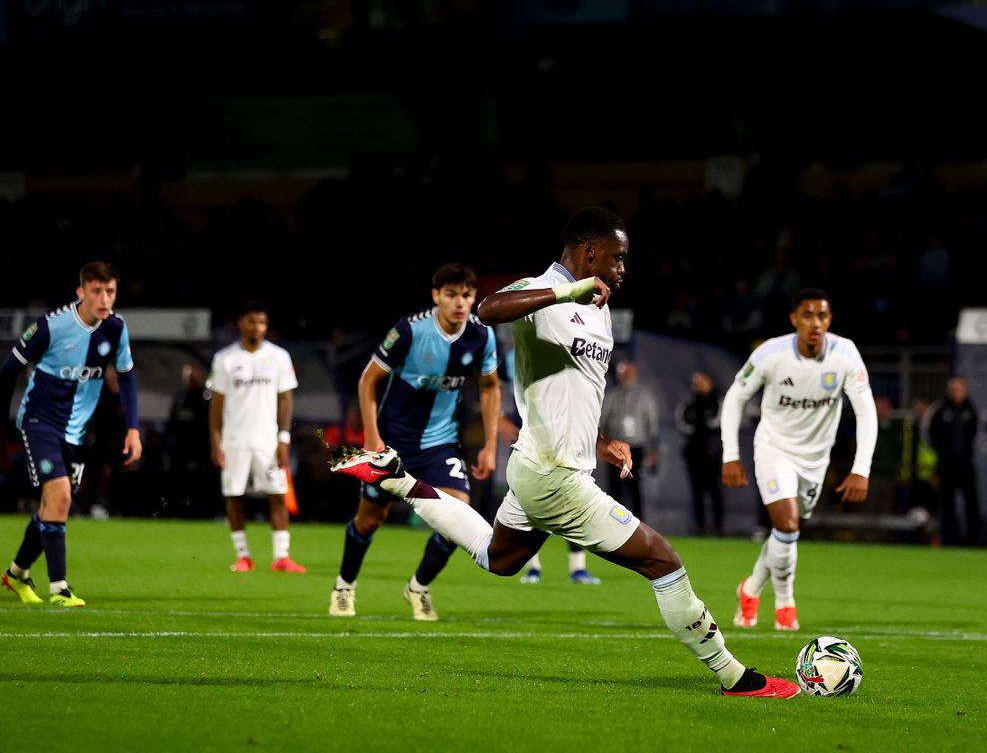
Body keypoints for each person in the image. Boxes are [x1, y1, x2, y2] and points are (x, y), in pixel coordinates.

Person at [331, 207, 796, 697]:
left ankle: (396, 479)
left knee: (500, 557)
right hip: (554, 475)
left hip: (546, 465)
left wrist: (601, 441)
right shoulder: (546, 291)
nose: (622, 269)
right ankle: (734, 676)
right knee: (663, 560)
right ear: (589, 251)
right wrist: (567, 291)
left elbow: (576, 392)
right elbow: (488, 311)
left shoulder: (599, 313)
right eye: (617, 258)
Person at [331, 264, 500, 621]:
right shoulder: (409, 330)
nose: (459, 302)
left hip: (440, 444)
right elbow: (367, 381)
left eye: (466, 295)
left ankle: (418, 587)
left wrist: (489, 445)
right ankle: (345, 586)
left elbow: (489, 387)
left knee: (459, 516)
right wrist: (372, 437)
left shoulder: (481, 337)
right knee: (369, 520)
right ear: (436, 295)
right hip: (392, 443)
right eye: (451, 294)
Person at [719, 288, 876, 632]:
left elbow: (867, 411)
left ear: (829, 320)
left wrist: (860, 469)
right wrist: (731, 455)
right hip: (774, 449)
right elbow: (735, 397)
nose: (815, 323)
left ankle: (750, 588)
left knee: (784, 533)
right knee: (788, 526)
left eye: (822, 316)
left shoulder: (845, 353)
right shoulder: (771, 353)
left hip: (816, 459)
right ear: (794, 319)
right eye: (808, 315)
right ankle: (785, 605)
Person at [0, 261, 142, 608]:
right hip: (39, 422)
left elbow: (128, 377)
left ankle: (16, 574)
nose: (104, 298)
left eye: (111, 291)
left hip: (77, 432)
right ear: (81, 291)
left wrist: (133, 428)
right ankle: (59, 588)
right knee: (60, 497)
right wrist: (1, 420)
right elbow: (7, 369)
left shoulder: (117, 328)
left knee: (53, 507)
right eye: (97, 291)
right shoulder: (51, 326)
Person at [210, 302, 303, 573]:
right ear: (241, 323)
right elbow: (216, 405)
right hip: (234, 440)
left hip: (268, 441)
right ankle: (243, 556)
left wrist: (283, 438)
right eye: (252, 321)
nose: (257, 327)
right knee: (234, 496)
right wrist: (216, 442)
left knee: (277, 494)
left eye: (261, 322)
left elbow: (286, 399)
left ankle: (281, 557)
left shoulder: (279, 357)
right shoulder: (225, 359)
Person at [921, 377, 980, 545]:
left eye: (961, 390)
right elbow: (928, 435)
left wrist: (967, 452)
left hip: (966, 463)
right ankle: (951, 539)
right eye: (954, 390)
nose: (958, 393)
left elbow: (977, 433)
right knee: (947, 502)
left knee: (971, 501)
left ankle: (973, 540)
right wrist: (941, 455)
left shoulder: (970, 409)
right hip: (946, 465)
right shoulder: (939, 410)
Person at [600, 359, 660, 522]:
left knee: (635, 487)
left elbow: (652, 424)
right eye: (622, 373)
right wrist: (602, 445)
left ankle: (638, 524)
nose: (625, 376)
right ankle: (615, 522)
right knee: (615, 488)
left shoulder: (645, 396)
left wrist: (653, 449)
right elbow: (602, 422)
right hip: (616, 449)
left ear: (634, 373)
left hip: (636, 448)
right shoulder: (612, 396)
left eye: (628, 372)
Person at [675, 371, 724, 535]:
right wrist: (699, 426)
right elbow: (682, 424)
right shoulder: (688, 405)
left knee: (715, 490)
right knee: (697, 491)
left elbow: (717, 423)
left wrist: (700, 426)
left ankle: (718, 526)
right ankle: (700, 527)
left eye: (702, 381)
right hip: (694, 454)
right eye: (696, 382)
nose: (698, 385)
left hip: (712, 453)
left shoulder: (718, 403)